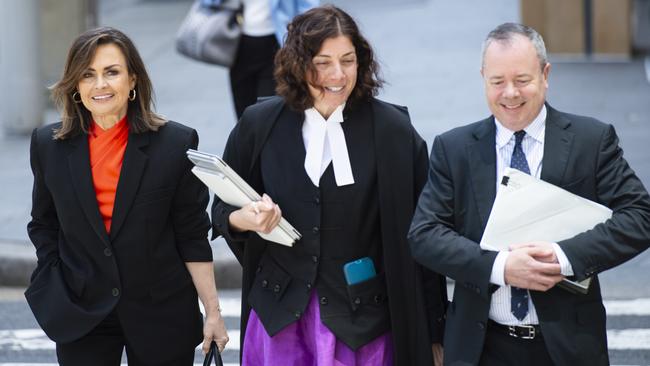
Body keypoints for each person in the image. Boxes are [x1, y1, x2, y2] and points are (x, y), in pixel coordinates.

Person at [211, 5, 447, 365]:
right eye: (322, 62)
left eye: (348, 60)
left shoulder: (393, 134)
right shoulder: (258, 125)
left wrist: (434, 333)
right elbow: (221, 210)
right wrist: (246, 218)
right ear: (297, 63)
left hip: (365, 326)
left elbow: (425, 236)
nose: (338, 74)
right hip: (278, 321)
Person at [408, 22, 650, 366]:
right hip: (481, 346)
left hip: (566, 348)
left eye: (522, 80)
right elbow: (424, 235)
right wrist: (501, 267)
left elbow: (641, 217)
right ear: (483, 78)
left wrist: (562, 257)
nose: (510, 93)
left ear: (545, 74)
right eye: (497, 82)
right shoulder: (454, 148)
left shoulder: (590, 140)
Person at [26, 27, 228, 366]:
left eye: (112, 72)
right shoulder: (49, 145)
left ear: (133, 80)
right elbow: (44, 224)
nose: (100, 85)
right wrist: (55, 277)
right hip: (82, 309)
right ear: (75, 85)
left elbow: (192, 235)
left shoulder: (175, 144)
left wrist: (213, 312)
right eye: (88, 75)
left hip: (161, 313)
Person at [218, 0, 319, 119]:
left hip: (276, 42)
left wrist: (300, 34)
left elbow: (309, 7)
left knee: (269, 110)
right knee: (243, 112)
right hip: (238, 44)